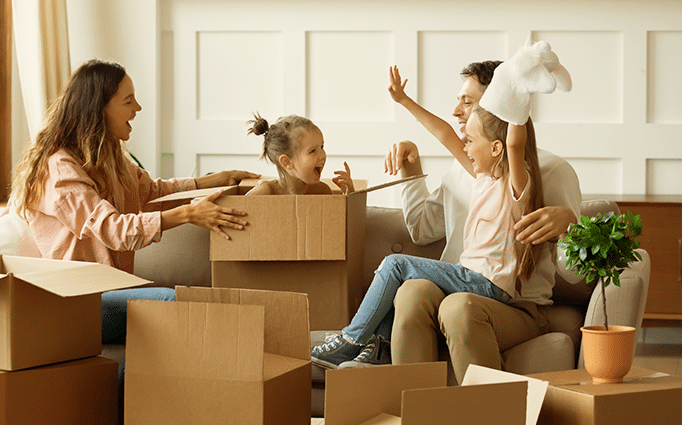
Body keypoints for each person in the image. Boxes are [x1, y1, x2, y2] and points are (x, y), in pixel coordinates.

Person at [7, 58, 259, 412]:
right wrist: (188, 213)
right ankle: (117, 411)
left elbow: (151, 190)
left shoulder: (107, 154)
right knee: (177, 306)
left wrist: (209, 181)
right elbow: (113, 230)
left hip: (106, 294)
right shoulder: (59, 169)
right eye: (128, 101)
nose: (138, 108)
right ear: (99, 107)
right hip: (74, 305)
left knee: (178, 324)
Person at [385, 52, 580, 383]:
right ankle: (413, 411)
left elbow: (574, 273)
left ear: (497, 108)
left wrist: (569, 228)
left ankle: (489, 413)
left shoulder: (549, 172)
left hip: (513, 305)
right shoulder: (469, 168)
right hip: (456, 286)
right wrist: (411, 167)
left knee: (459, 307)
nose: (456, 111)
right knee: (413, 290)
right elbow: (420, 230)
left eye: (467, 102)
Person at [245, 113, 354, 195]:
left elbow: (338, 222)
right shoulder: (265, 193)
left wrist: (349, 194)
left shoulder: (321, 191)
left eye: (322, 147)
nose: (322, 155)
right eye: (312, 151)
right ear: (287, 162)